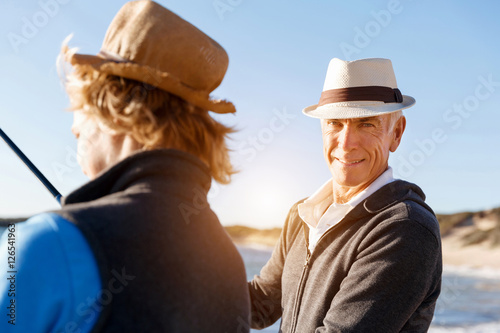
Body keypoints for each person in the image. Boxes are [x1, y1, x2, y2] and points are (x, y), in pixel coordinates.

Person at [0, 1, 250, 332]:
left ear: (116, 109)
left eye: (82, 105)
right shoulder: (229, 262)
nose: (75, 125)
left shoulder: (42, 242)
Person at [249, 58, 442, 332]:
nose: (346, 143)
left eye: (366, 124)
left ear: (396, 134)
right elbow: (260, 304)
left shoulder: (405, 228)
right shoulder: (301, 215)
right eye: (335, 123)